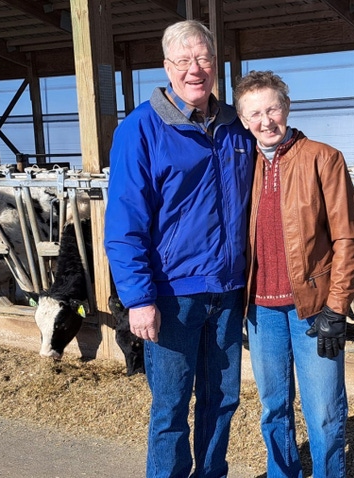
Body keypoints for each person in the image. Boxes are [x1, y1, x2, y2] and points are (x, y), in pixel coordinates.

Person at [104, 20, 256, 478]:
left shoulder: (236, 127)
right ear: (167, 67)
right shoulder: (139, 130)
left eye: (204, 59)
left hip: (228, 291)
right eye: (184, 60)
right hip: (172, 295)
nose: (196, 69)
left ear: (217, 65)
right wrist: (139, 298)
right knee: (170, 407)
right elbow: (125, 222)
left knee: (222, 400)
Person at [232, 70, 354, 478]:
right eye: (254, 113)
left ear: (286, 108)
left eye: (272, 108)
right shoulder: (240, 163)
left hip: (314, 309)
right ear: (242, 119)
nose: (265, 120)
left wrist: (337, 308)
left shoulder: (323, 157)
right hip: (261, 310)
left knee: (324, 410)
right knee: (273, 407)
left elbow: (347, 237)